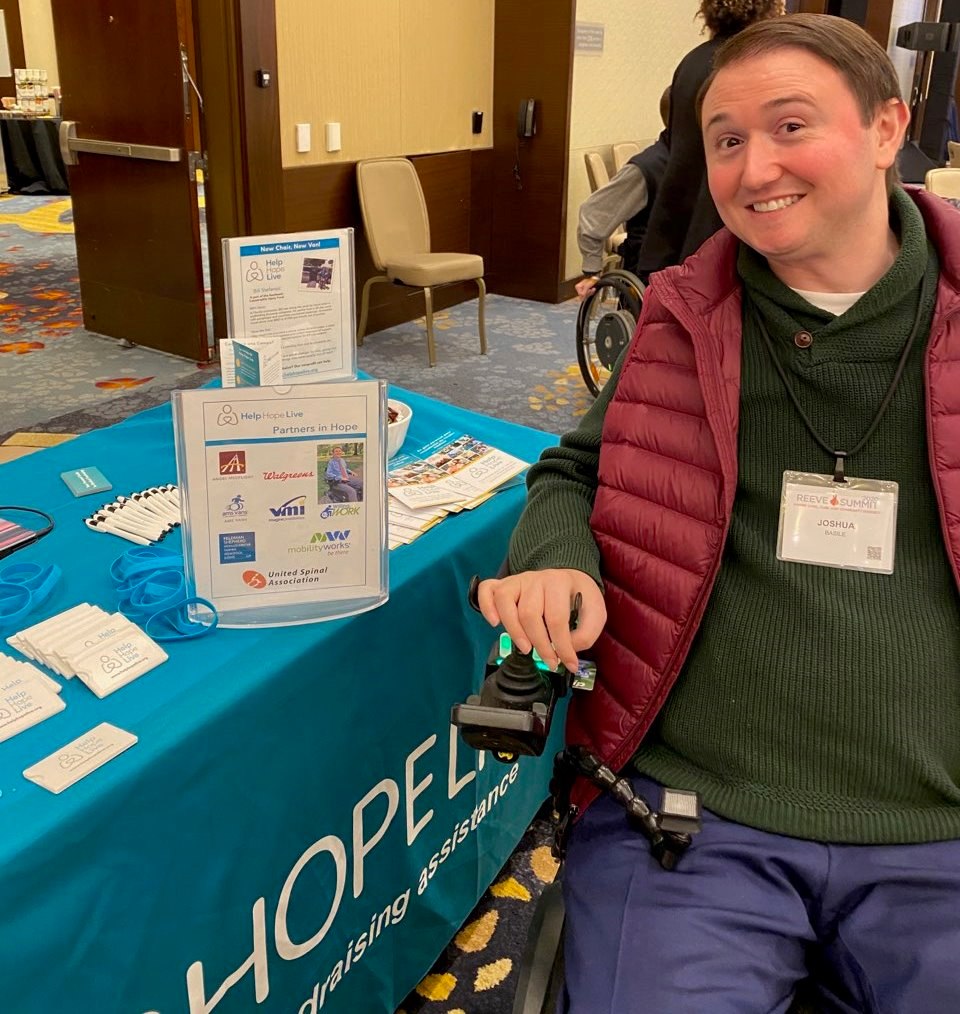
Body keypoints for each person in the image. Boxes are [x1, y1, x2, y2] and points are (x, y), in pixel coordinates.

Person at [478, 13, 960, 1011]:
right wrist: (555, 558)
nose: (753, 167)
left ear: (885, 130)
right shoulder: (679, 316)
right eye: (727, 140)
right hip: (694, 815)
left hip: (939, 820)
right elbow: (572, 469)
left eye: (791, 127)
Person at [635, 0, 785, 281]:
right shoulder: (754, 62)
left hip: (678, 215)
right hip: (724, 221)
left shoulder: (691, 62)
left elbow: (677, 148)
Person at [574, 88, 670, 301]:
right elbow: (593, 214)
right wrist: (592, 271)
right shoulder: (647, 167)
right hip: (652, 276)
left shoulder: (703, 161)